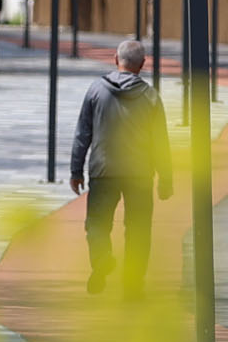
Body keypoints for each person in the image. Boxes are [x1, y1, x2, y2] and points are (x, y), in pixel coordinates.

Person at [69, 37, 173, 296]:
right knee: (138, 229)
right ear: (142, 65)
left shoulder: (96, 90)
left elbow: (83, 132)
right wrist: (166, 177)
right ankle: (132, 285)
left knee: (96, 224)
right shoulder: (150, 96)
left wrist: (76, 170)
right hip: (139, 173)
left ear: (116, 61)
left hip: (103, 170)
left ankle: (102, 259)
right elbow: (161, 141)